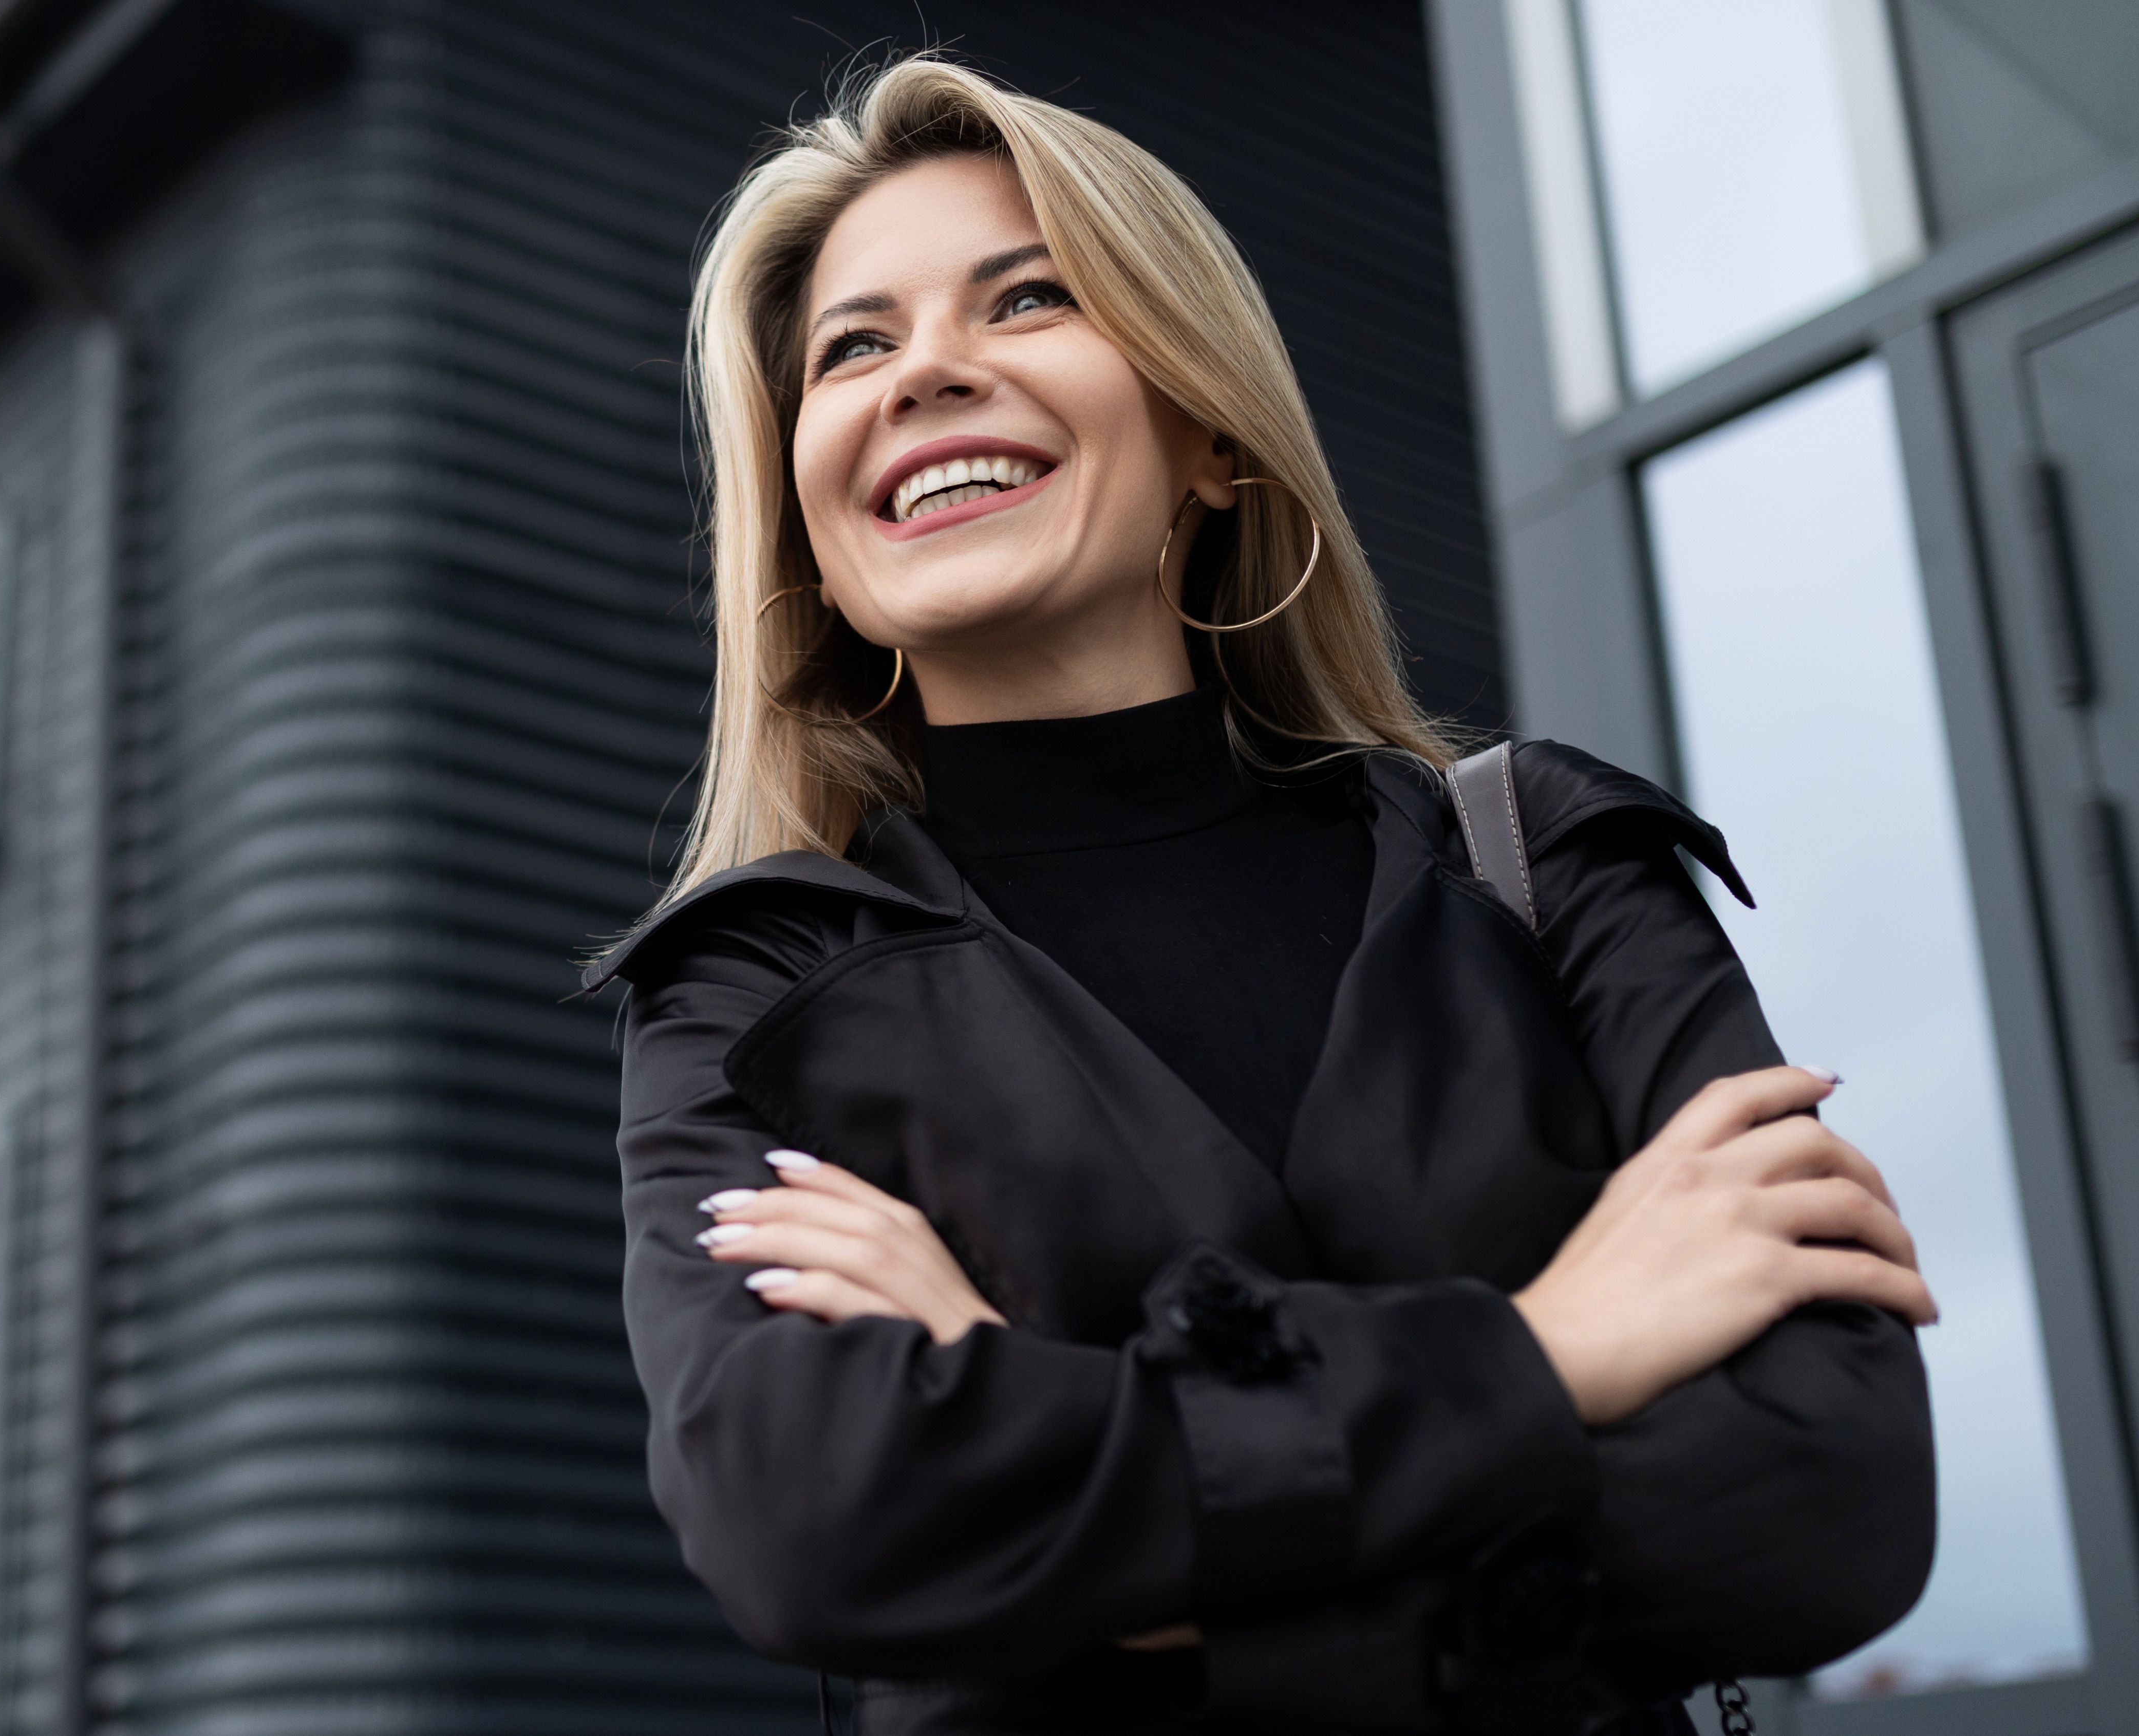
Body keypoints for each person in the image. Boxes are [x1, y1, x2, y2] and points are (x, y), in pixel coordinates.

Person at [581, 57, 1938, 1735]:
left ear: (1211, 434)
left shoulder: (1549, 869)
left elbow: (1826, 1500)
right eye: (852, 347)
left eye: (1032, 297)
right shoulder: (749, 989)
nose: (926, 369)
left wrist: (1073, 1523)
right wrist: (1555, 1352)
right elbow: (821, 1526)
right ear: (812, 505)